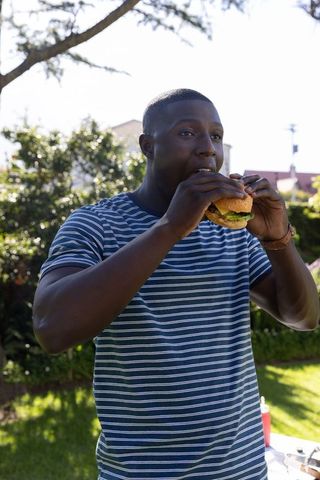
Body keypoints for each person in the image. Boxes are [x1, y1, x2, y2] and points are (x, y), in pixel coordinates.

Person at [32, 88, 319, 480]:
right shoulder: (93, 224)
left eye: (215, 136)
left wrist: (278, 237)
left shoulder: (232, 231)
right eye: (188, 133)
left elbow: (303, 316)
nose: (208, 149)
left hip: (242, 471)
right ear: (147, 146)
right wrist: (169, 228)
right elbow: (52, 329)